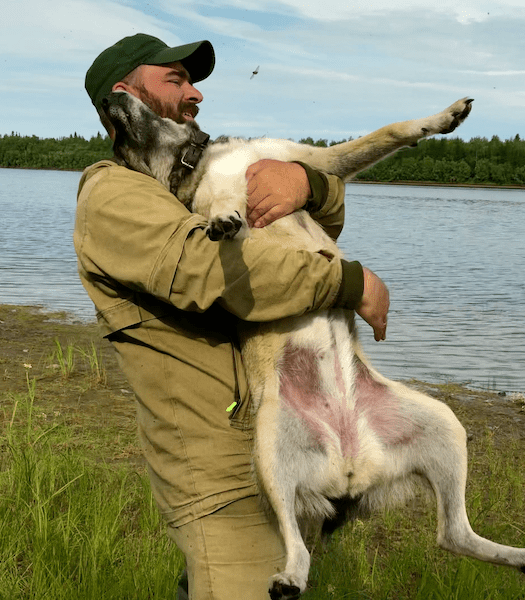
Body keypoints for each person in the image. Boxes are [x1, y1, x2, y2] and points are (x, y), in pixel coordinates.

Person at [75, 33, 390, 599]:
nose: (195, 94)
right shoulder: (113, 195)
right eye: (175, 80)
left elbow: (301, 235)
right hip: (223, 482)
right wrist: (350, 281)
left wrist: (305, 182)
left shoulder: (192, 183)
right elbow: (215, 271)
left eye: (193, 82)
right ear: (125, 97)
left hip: (286, 460)